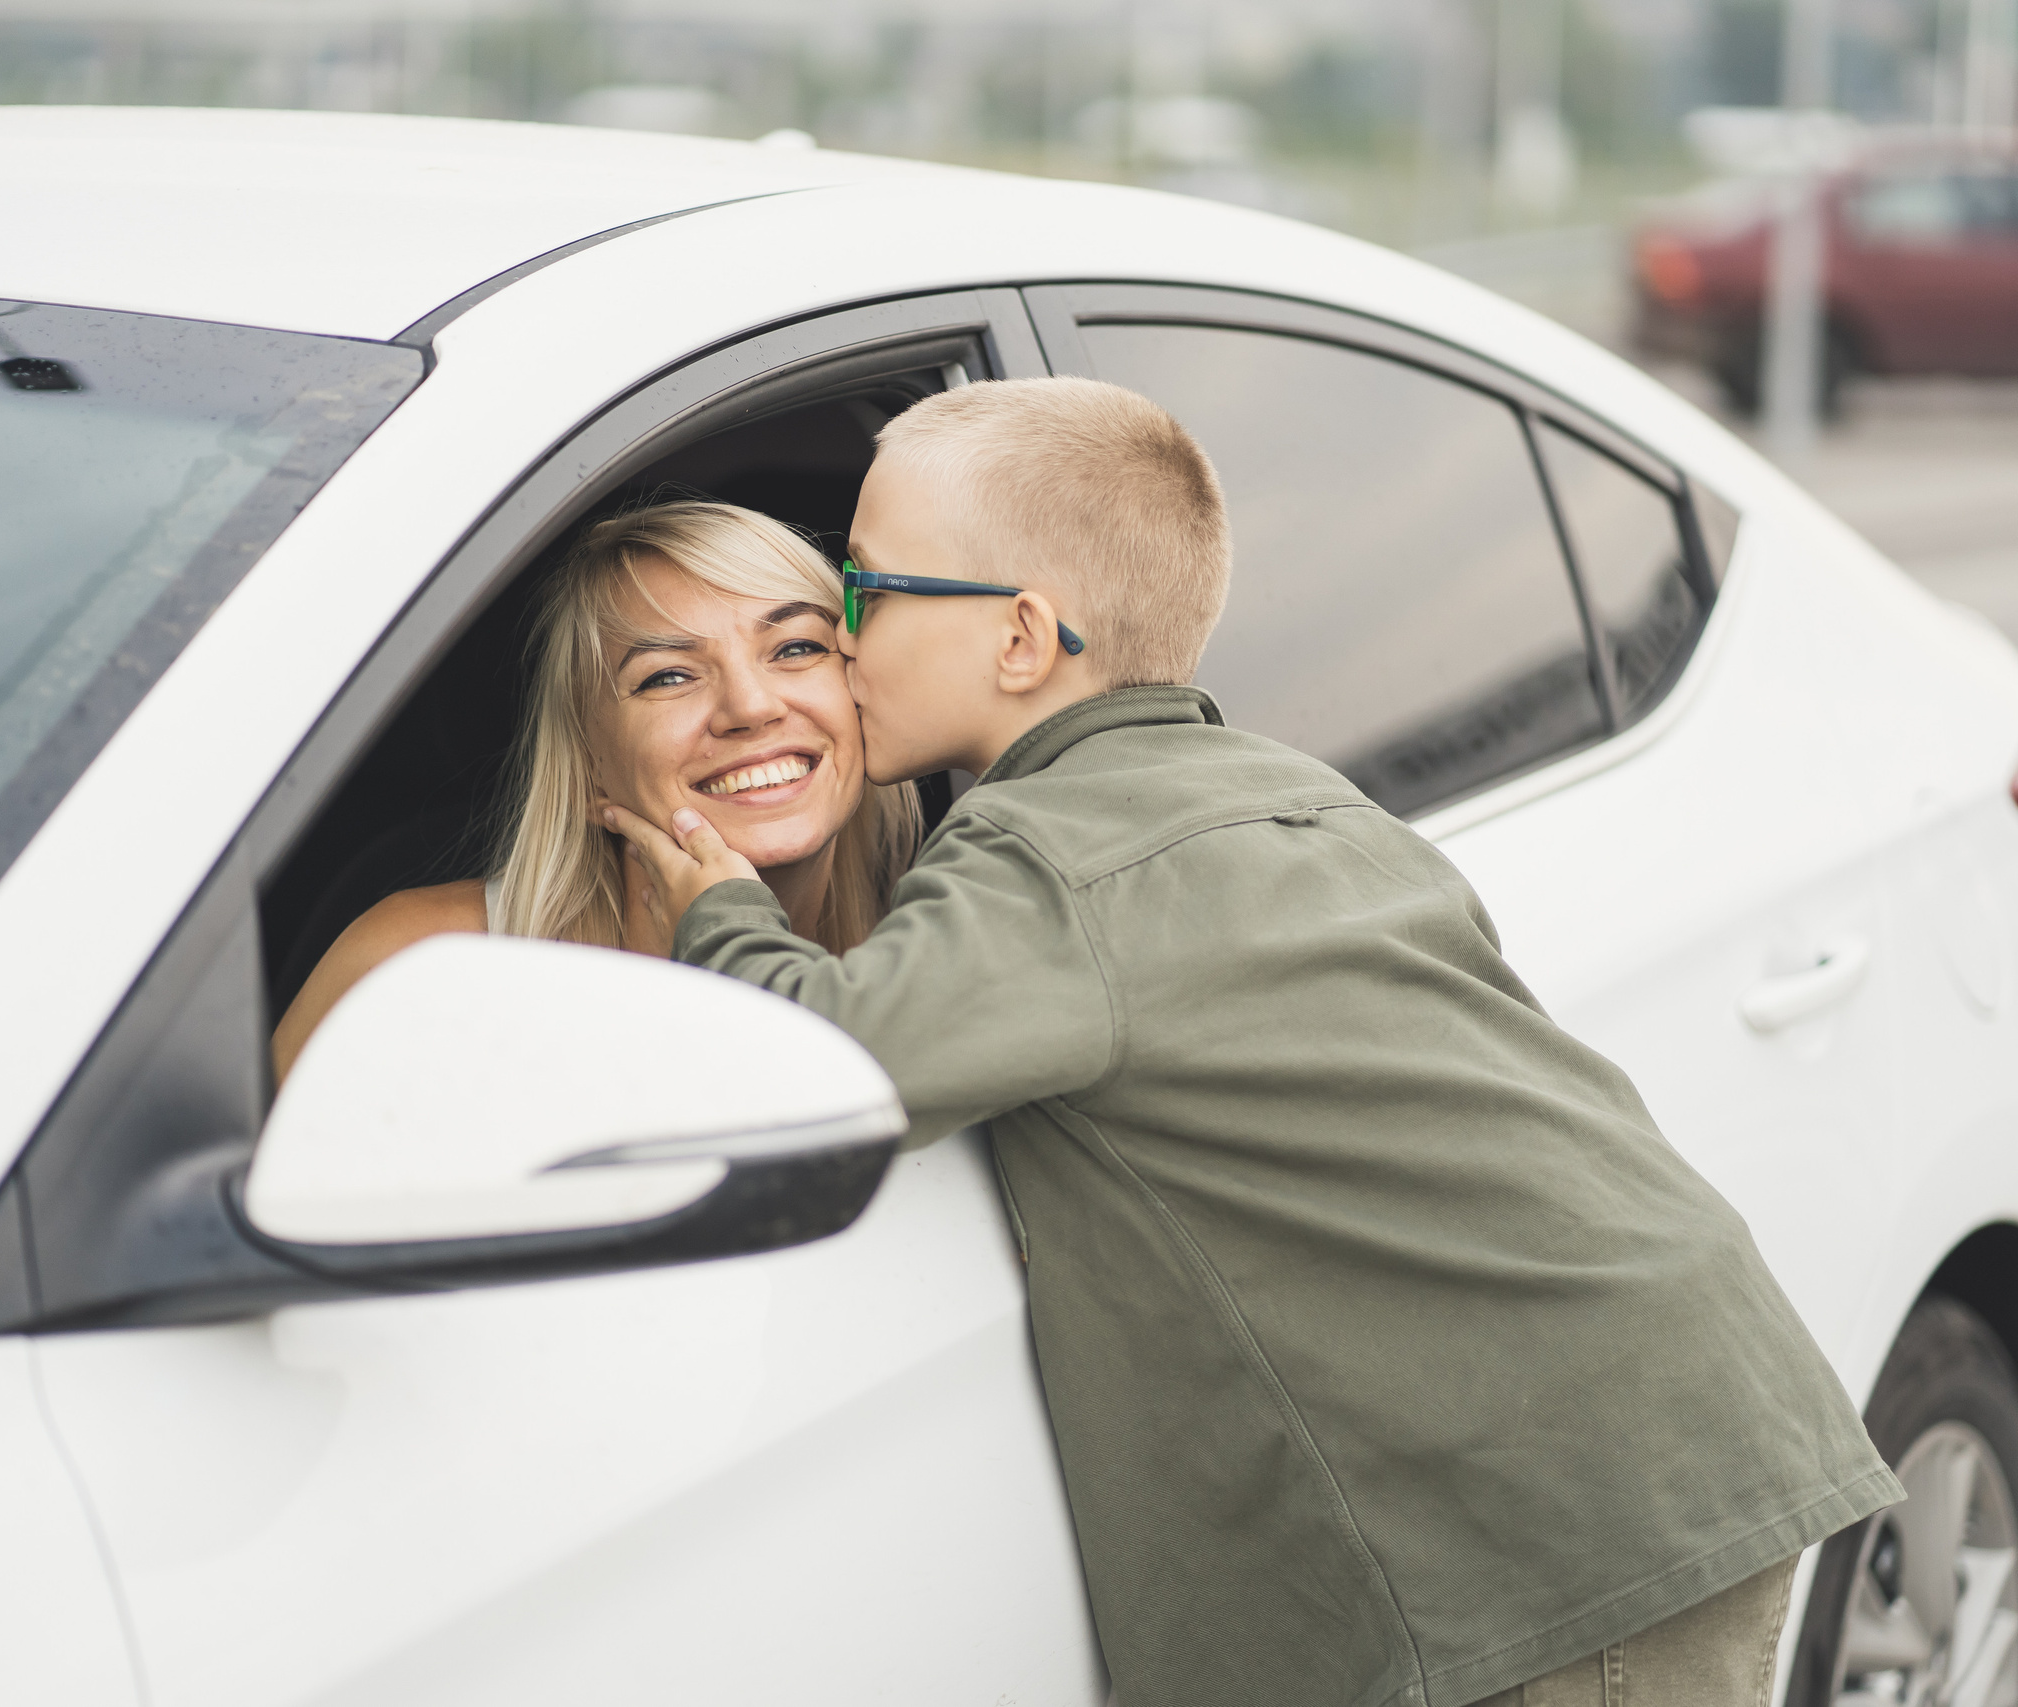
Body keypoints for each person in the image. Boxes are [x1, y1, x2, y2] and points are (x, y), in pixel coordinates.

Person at [603, 378, 1905, 1707]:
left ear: (1021, 640)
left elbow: (836, 1063)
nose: (840, 634)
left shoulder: (1044, 853)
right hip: (1672, 1416)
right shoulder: (1293, 790)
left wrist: (720, 908)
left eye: (865, 590)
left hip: (1563, 1523)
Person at [270, 499, 920, 1081]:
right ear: (587, 767)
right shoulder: (418, 971)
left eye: (796, 647)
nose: (750, 706)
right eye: (668, 676)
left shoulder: (931, 969)